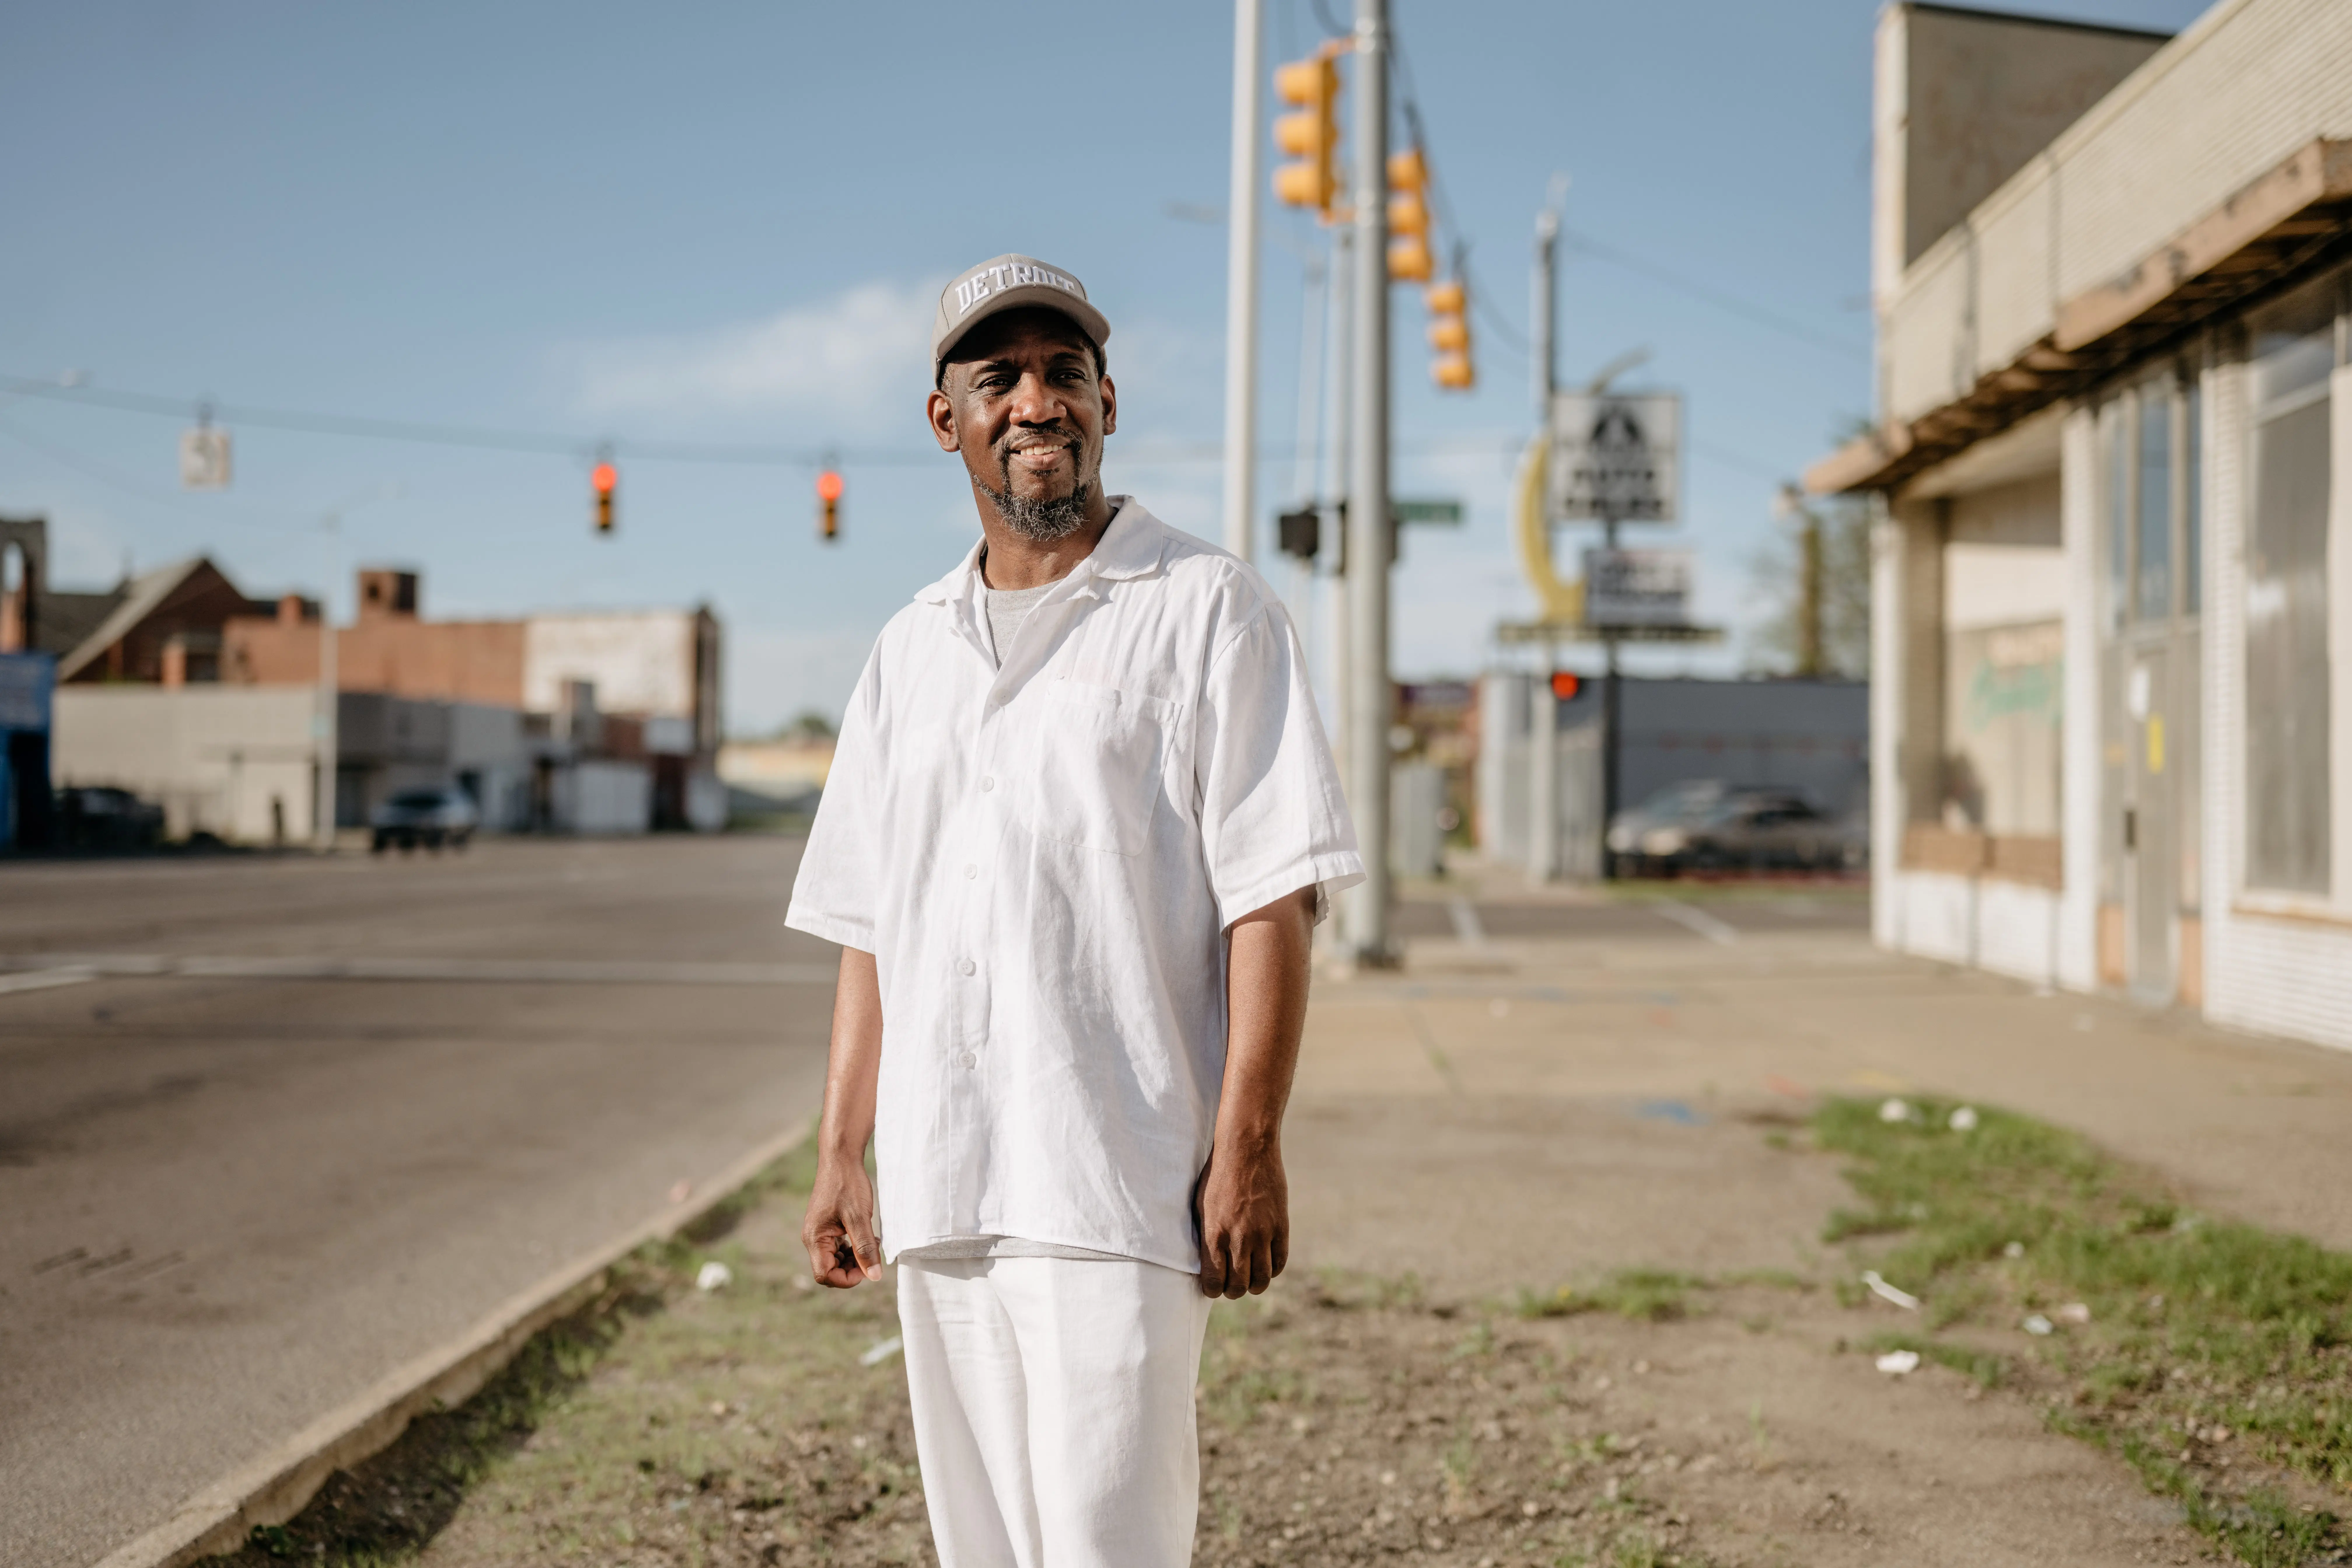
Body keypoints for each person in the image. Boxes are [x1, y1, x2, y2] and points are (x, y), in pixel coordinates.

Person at [785, 252, 1361, 1568]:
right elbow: (872, 922)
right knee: (980, 1549)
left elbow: (1272, 897)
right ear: (948, 419)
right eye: (1000, 378)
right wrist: (840, 1151)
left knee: (1110, 1545)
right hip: (943, 1185)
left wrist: (1248, 1145)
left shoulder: (1209, 609)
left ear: (1108, 401)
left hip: (1120, 1183)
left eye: (1064, 373)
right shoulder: (907, 650)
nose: (1036, 402)